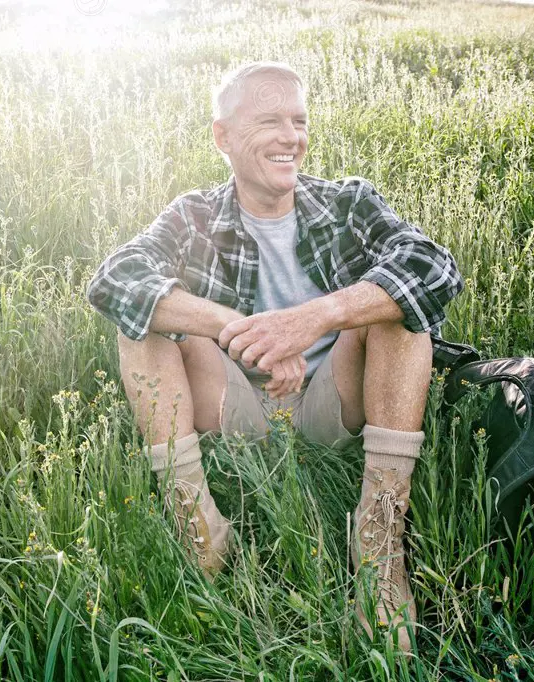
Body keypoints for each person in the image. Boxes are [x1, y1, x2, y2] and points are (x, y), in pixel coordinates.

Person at [85, 61, 464, 652]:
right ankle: (198, 524)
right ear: (224, 137)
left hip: (330, 402)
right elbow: (113, 280)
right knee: (142, 321)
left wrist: (313, 318)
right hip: (236, 406)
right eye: (269, 121)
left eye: (299, 121)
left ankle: (380, 544)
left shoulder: (347, 202)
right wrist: (240, 329)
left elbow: (434, 267)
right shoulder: (194, 215)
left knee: (399, 309)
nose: (291, 137)